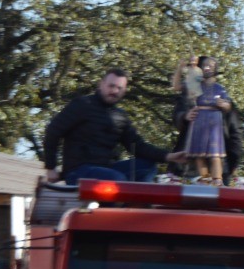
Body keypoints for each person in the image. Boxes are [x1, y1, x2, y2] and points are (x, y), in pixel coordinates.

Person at [42, 69, 187, 184]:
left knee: (148, 167)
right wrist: (51, 167)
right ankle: (120, 213)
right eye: (111, 86)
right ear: (101, 84)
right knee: (116, 180)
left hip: (106, 169)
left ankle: (135, 205)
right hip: (78, 171)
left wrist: (169, 156)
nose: (115, 91)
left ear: (124, 91)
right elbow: (53, 131)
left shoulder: (120, 117)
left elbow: (138, 146)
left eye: (119, 88)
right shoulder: (82, 105)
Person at [179, 56, 232, 184]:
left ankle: (217, 180)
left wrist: (223, 104)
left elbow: (228, 105)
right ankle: (205, 178)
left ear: (215, 69)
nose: (207, 68)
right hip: (199, 119)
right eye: (204, 66)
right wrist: (181, 68)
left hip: (214, 120)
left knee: (215, 154)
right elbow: (181, 88)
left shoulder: (220, 88)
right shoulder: (196, 86)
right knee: (199, 153)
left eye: (210, 66)